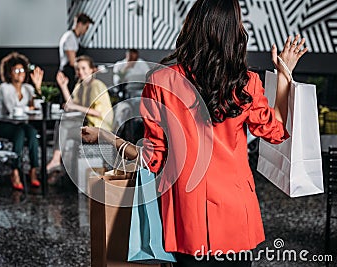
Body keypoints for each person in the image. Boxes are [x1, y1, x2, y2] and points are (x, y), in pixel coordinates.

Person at [81, 0, 308, 266]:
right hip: (236, 213)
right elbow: (278, 129)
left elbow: (151, 159)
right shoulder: (246, 83)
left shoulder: (160, 82)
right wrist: (284, 73)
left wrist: (105, 136)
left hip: (186, 217)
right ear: (234, 31)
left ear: (192, 27)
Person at [46, 55, 113, 173]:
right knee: (62, 124)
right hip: (86, 125)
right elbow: (71, 105)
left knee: (63, 128)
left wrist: (73, 106)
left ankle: (56, 160)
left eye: (84, 68)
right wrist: (63, 86)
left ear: (92, 69)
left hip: (99, 129)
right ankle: (59, 161)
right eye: (78, 69)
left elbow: (97, 113)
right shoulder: (80, 85)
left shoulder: (96, 85)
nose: (80, 72)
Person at [0, 52, 44, 190]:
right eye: (16, 70)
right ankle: (15, 171)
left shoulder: (28, 88)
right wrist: (29, 107)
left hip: (22, 125)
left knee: (32, 133)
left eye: (22, 70)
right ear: (9, 72)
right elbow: (12, 110)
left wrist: (38, 88)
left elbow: (39, 107)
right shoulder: (4, 88)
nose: (20, 73)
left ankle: (33, 170)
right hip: (4, 124)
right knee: (20, 133)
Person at [59, 13, 94, 94]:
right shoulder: (70, 38)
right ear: (80, 24)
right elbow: (72, 62)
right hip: (68, 74)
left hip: (72, 73)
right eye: (86, 27)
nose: (86, 30)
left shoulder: (76, 38)